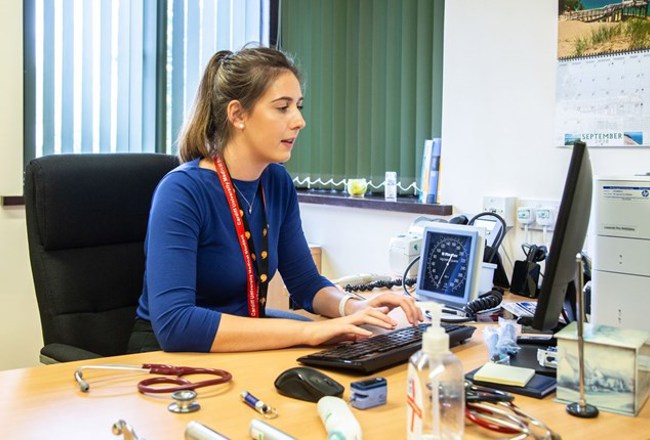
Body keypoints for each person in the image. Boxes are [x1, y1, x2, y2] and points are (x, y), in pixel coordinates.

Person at [128, 46, 422, 354]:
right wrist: (309, 332)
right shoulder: (182, 191)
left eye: (299, 106)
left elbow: (307, 284)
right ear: (237, 114)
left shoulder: (276, 182)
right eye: (282, 108)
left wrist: (354, 307)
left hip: (241, 350)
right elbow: (176, 325)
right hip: (166, 361)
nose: (299, 121)